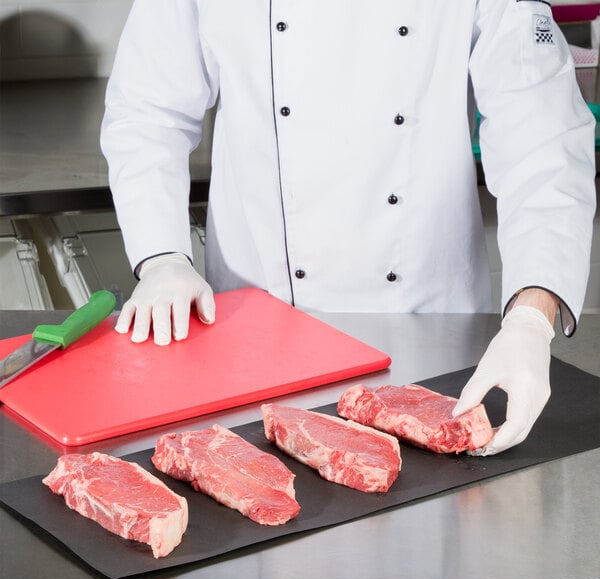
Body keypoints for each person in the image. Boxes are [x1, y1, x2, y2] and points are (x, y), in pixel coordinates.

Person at [100, 0, 596, 456]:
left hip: (431, 341)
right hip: (253, 339)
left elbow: (542, 137)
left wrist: (533, 316)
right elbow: (148, 113)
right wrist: (162, 256)